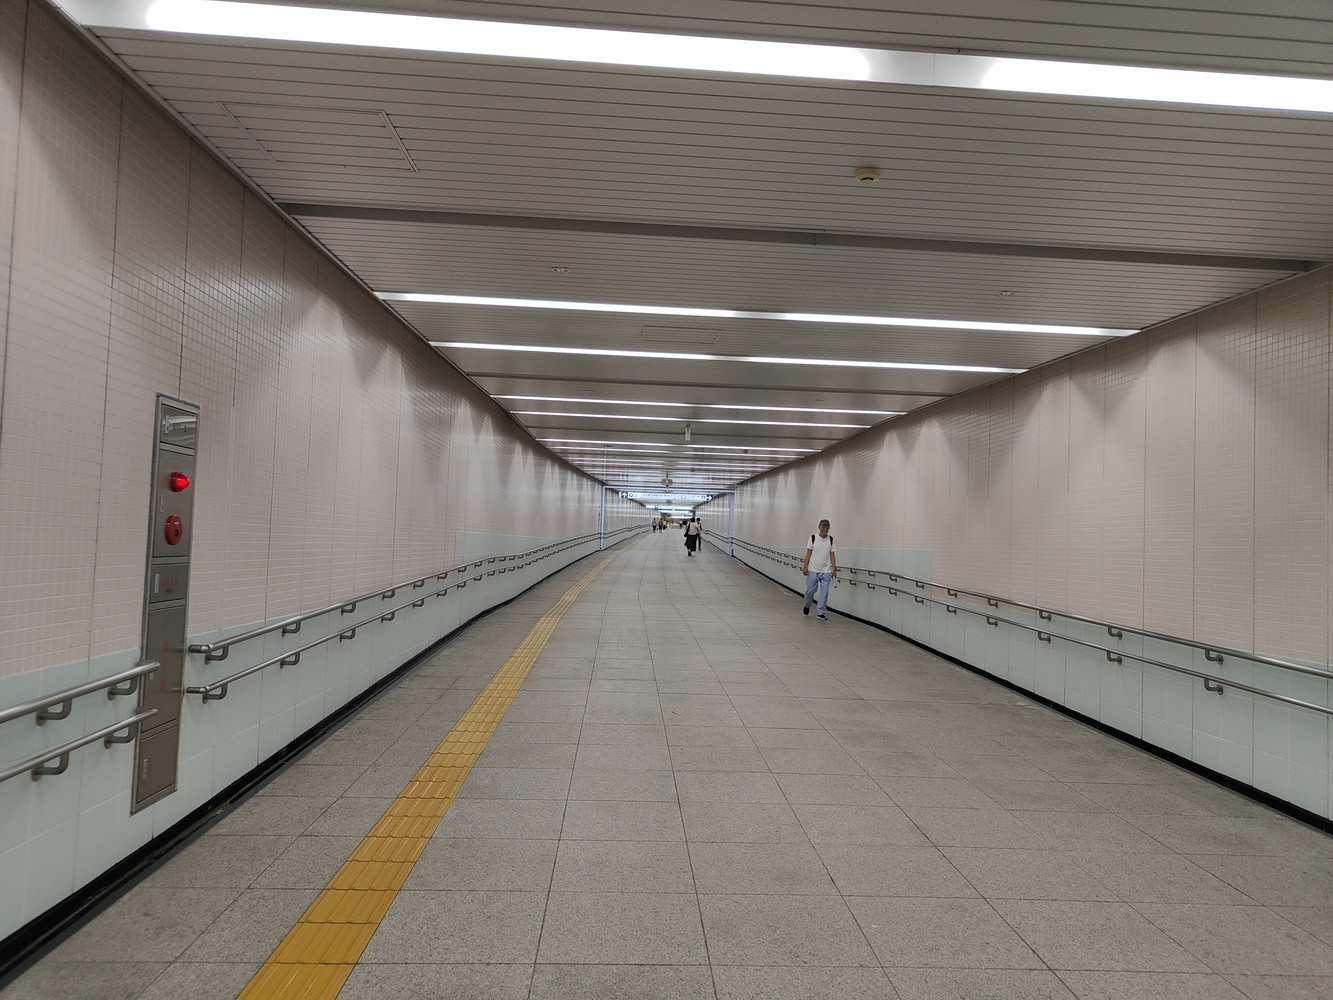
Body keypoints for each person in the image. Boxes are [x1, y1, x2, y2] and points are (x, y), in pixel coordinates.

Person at [801, 519, 836, 619]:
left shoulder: (831, 540)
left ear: (829, 528)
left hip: (826, 571)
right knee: (810, 591)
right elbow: (808, 553)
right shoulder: (813, 538)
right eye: (823, 526)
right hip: (813, 569)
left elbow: (832, 555)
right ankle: (807, 605)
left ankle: (821, 612)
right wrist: (805, 566)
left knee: (824, 593)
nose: (825, 528)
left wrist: (834, 569)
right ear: (819, 527)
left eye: (827, 527)